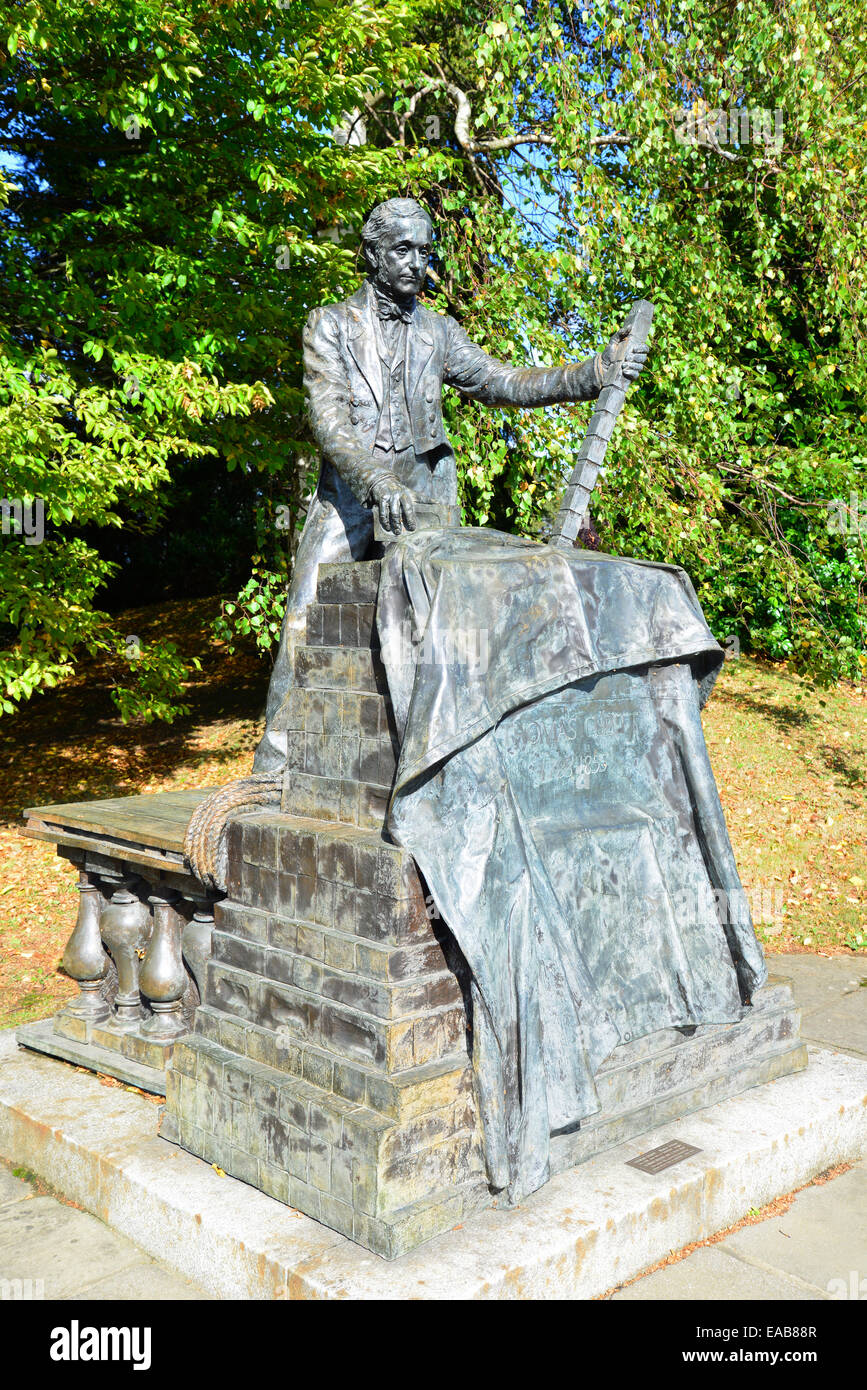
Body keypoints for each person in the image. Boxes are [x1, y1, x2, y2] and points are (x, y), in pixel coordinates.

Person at [253, 196, 649, 771]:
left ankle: (441, 760)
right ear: (370, 254)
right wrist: (375, 481)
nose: (416, 263)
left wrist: (591, 374)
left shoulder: (439, 331)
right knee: (305, 616)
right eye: (402, 250)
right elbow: (330, 424)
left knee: (445, 629)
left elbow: (501, 381)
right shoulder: (331, 324)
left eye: (424, 251)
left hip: (426, 497)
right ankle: (276, 763)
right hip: (352, 494)